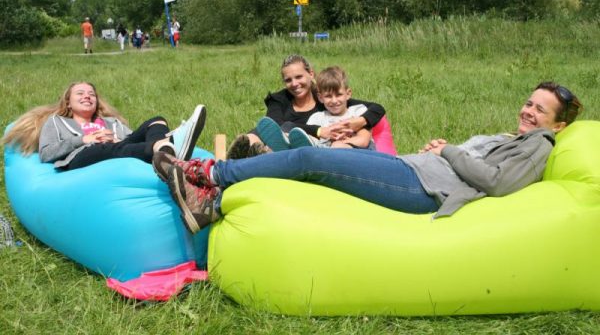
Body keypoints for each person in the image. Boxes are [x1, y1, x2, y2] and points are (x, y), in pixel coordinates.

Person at [153, 81, 582, 234]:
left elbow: (498, 182)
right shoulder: (518, 135)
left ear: (557, 125)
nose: (528, 111)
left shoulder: (539, 145)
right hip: (414, 169)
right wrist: (443, 150)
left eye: (539, 110)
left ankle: (208, 176)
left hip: (423, 188)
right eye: (529, 103)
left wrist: (448, 150)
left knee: (312, 164)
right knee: (318, 165)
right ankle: (214, 193)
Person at [3, 82, 206, 171]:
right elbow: (46, 153)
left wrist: (119, 139)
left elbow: (131, 141)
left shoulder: (111, 122)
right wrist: (85, 139)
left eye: (91, 94)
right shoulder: (57, 122)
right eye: (80, 93)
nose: (87, 96)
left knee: (157, 120)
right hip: (83, 156)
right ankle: (169, 149)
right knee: (105, 147)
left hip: (116, 148)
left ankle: (165, 150)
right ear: (68, 102)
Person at [226, 54, 386, 159]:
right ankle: (246, 153)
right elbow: (275, 127)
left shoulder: (325, 98)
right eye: (288, 80)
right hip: (282, 138)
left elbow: (376, 108)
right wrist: (319, 131)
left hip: (311, 147)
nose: (294, 84)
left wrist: (360, 121)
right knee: (258, 133)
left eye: (299, 77)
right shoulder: (279, 99)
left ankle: (259, 156)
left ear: (311, 74)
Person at [260, 65, 375, 150]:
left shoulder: (358, 111)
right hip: (326, 153)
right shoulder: (317, 118)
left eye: (339, 95)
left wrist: (342, 141)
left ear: (348, 94)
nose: (334, 101)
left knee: (337, 146)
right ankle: (282, 145)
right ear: (320, 97)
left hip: (361, 154)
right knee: (302, 139)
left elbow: (364, 141)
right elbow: (310, 139)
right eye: (328, 96)